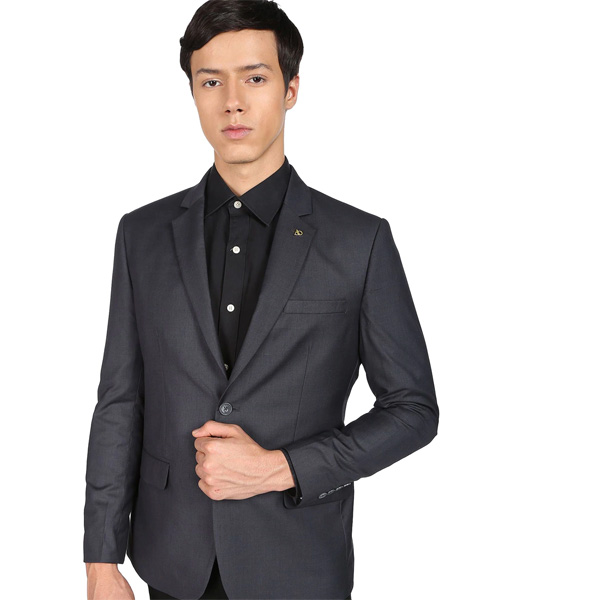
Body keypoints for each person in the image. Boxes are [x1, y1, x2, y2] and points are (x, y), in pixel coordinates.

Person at [83, 1, 439, 599]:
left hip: (298, 564)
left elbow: (413, 410)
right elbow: (120, 400)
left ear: (291, 89)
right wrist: (100, 559)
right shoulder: (141, 234)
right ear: (192, 93)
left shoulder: (359, 241)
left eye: (254, 78)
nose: (232, 102)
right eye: (210, 82)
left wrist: (282, 468)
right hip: (170, 562)